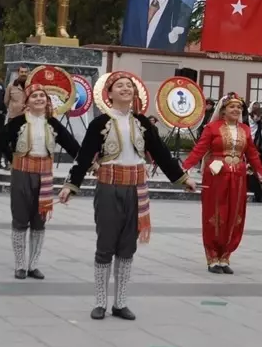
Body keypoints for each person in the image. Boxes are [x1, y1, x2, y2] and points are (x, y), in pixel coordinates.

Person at [59, 72, 194, 320]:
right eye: (119, 85)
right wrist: (71, 185)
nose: (125, 89)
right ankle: (100, 301)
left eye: (129, 86)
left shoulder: (143, 123)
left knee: (127, 247)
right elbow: (84, 156)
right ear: (108, 94)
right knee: (106, 244)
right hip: (109, 188)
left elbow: (162, 154)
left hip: (135, 189)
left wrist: (183, 178)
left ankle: (120, 303)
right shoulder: (99, 124)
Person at [0, 84, 82, 279]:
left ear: (47, 101)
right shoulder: (17, 123)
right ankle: (20, 264)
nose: (38, 99)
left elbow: (74, 148)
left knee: (39, 220)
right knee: (20, 219)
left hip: (44, 176)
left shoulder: (53, 124)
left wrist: (93, 166)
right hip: (21, 175)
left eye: (42, 96)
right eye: (34, 96)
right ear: (27, 101)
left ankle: (33, 264)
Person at [182, 92, 262, 274]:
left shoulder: (245, 130)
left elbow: (252, 154)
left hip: (238, 177)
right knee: (215, 213)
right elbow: (199, 150)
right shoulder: (212, 128)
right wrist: (184, 169)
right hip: (216, 175)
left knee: (234, 215)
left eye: (239, 107)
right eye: (232, 107)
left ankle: (225, 256)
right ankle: (212, 256)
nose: (236, 110)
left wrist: (261, 174)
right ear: (223, 110)